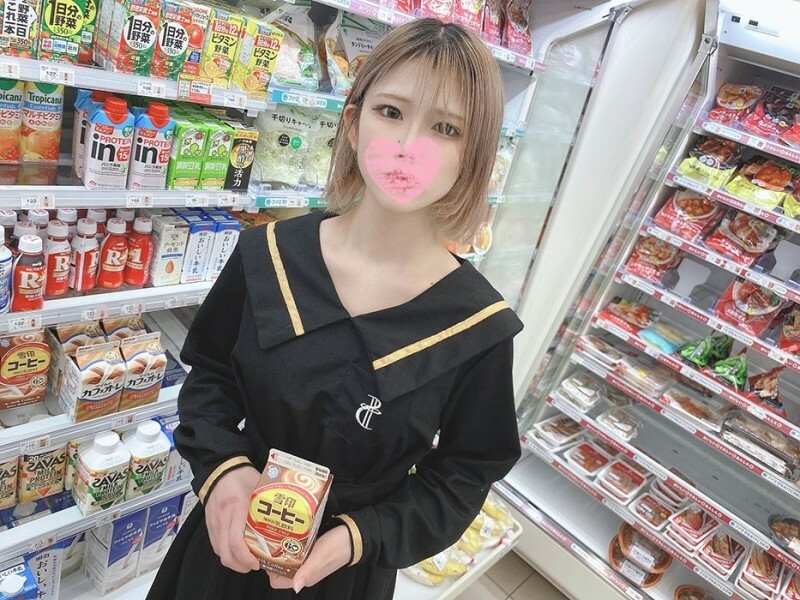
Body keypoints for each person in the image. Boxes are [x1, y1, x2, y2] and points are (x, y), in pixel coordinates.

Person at [147, 18, 524, 600]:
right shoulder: (269, 254)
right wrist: (224, 473)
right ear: (352, 123)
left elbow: (464, 473)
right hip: (225, 551)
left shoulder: (477, 325)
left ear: (473, 157)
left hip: (347, 577)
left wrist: (357, 537)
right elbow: (211, 377)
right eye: (391, 112)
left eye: (446, 128)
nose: (408, 145)